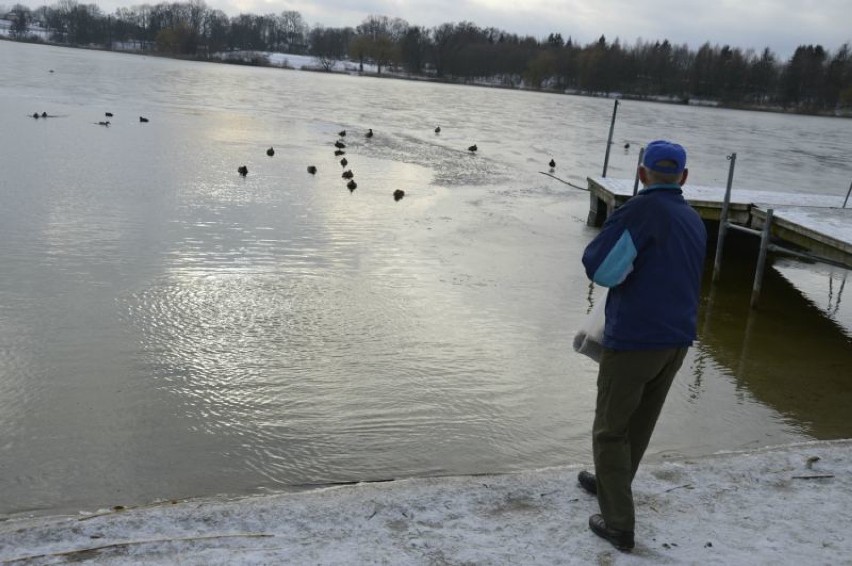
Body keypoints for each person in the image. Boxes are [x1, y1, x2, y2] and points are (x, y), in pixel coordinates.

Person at [578, 140, 707, 551]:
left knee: (610, 429)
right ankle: (609, 480)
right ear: (683, 177)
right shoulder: (693, 218)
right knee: (640, 423)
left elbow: (600, 268)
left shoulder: (640, 211)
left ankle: (618, 524)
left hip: (635, 339)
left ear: (641, 173)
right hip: (677, 340)